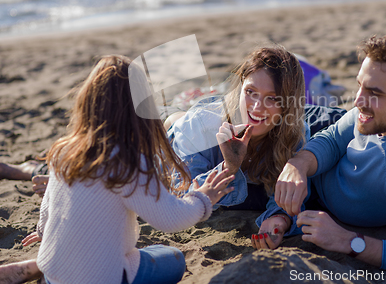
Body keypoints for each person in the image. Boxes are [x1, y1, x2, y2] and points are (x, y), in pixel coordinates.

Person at [0, 55, 234, 284]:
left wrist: (43, 231)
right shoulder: (129, 163)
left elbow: (48, 206)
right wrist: (203, 198)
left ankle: (38, 266)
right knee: (173, 258)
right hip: (104, 278)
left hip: (54, 274)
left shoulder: (64, 151)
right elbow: (171, 219)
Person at [255, 28, 386, 274]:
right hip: (319, 129)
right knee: (236, 119)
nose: (357, 100)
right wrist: (298, 164)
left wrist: (347, 241)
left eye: (374, 93)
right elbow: (332, 139)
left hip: (322, 190)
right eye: (360, 86)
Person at [167, 45, 345, 248]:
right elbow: (183, 199)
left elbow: (287, 193)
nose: (257, 107)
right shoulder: (199, 125)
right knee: (172, 120)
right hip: (177, 131)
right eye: (250, 92)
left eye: (273, 98)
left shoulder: (293, 131)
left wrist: (279, 219)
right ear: (240, 86)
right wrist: (228, 167)